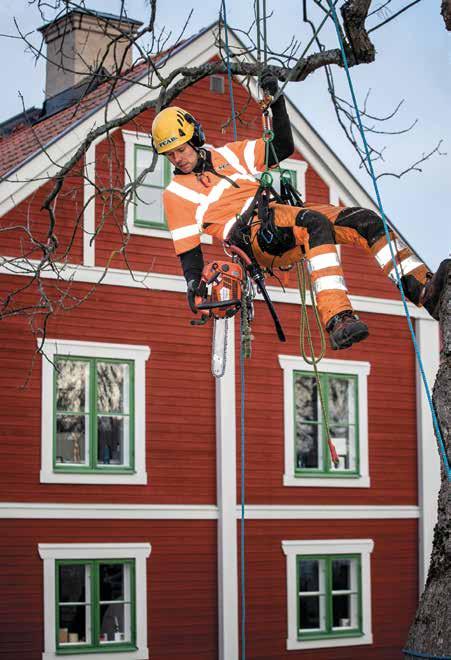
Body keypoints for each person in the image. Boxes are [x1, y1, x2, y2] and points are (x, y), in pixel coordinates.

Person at [151, 70, 449, 349]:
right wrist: (194, 286)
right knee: (314, 224)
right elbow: (188, 251)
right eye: (170, 155)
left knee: (365, 220)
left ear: (195, 138)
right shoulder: (175, 194)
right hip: (253, 236)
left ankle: (422, 289)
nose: (177, 158)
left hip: (278, 212)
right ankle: (337, 318)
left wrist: (276, 100)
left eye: (180, 149)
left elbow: (281, 146)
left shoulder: (228, 154)